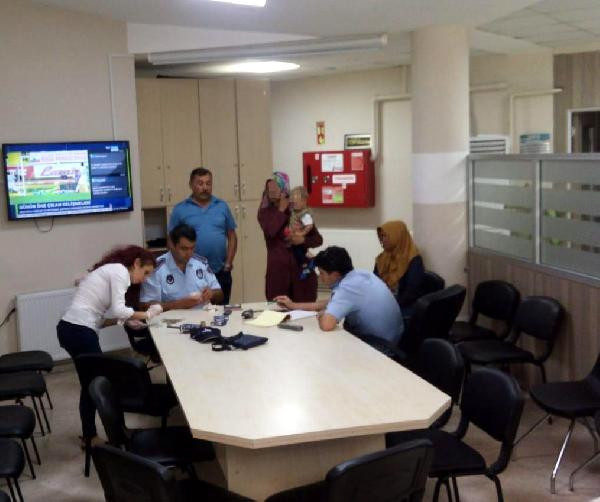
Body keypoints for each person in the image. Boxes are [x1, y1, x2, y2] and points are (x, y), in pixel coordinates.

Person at [56, 245, 161, 447]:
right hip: (78, 331)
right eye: (146, 273)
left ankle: (100, 434)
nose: (145, 279)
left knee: (92, 382)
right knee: (95, 383)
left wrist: (128, 320)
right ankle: (99, 436)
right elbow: (119, 309)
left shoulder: (110, 271)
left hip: (71, 329)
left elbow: (98, 316)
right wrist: (149, 314)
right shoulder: (120, 271)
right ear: (136, 263)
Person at [275, 246, 403, 354]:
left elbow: (326, 325)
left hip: (379, 347)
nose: (320, 277)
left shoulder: (347, 288)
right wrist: (293, 305)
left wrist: (323, 314)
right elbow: (329, 303)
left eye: (322, 273)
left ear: (335, 274)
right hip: (393, 339)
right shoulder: (361, 275)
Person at [169, 167, 237, 304]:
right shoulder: (180, 209)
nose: (205, 187)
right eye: (200, 183)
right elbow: (171, 240)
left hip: (220, 270)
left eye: (208, 183)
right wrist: (179, 265)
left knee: (221, 311)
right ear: (191, 185)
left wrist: (228, 263)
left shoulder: (222, 206)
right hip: (192, 273)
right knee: (195, 310)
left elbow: (232, 236)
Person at [258, 172, 323, 302]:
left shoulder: (297, 210)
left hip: (301, 274)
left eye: (276, 187)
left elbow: (317, 239)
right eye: (269, 188)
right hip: (278, 274)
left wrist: (303, 240)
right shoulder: (265, 212)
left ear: (284, 189)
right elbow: (270, 232)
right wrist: (281, 210)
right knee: (278, 310)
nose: (272, 191)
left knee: (304, 311)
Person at [140, 224, 224, 310]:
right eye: (184, 249)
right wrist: (178, 304)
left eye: (192, 248)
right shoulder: (156, 268)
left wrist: (212, 294)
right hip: (172, 317)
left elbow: (220, 294)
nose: (189, 253)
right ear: (172, 245)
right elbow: (145, 305)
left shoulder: (201, 263)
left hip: (202, 315)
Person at [374, 220, 424, 318]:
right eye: (381, 236)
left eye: (385, 236)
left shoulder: (413, 260)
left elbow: (411, 292)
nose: (382, 240)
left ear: (397, 237)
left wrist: (391, 305)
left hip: (404, 306)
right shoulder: (383, 257)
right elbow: (374, 281)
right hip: (385, 302)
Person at [287, 186, 316, 280]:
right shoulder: (294, 211)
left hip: (299, 238)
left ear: (304, 201)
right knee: (300, 252)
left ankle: (307, 266)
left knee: (298, 253)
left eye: (296, 202)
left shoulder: (304, 214)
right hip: (294, 237)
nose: (293, 204)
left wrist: (302, 233)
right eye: (292, 202)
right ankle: (309, 258)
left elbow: (309, 226)